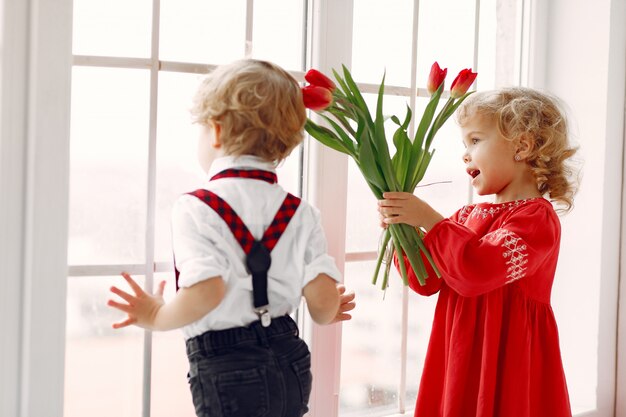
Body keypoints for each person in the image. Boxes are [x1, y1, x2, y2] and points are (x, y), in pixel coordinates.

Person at [107, 59, 356, 417]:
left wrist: (156, 315)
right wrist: (331, 307)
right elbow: (321, 302)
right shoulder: (300, 212)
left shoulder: (196, 207)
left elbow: (207, 291)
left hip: (227, 363)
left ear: (217, 131)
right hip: (290, 358)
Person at [378, 87, 577, 417]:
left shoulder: (537, 219)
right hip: (461, 357)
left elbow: (479, 270)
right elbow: (425, 280)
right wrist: (405, 232)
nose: (465, 154)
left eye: (475, 140)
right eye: (464, 144)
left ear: (522, 146)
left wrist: (429, 219)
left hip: (510, 362)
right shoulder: (466, 218)